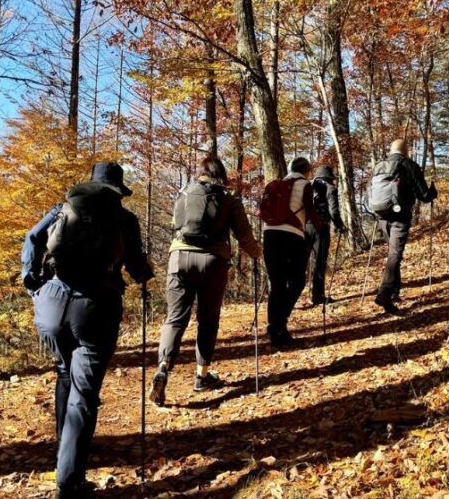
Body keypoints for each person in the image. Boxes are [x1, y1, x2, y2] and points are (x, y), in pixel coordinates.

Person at [21, 162, 153, 499]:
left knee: (66, 374)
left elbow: (33, 238)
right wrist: (143, 275)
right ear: (118, 190)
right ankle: (70, 482)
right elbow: (136, 264)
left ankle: (64, 451)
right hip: (95, 306)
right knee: (84, 393)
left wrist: (32, 280)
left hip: (51, 302)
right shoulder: (124, 219)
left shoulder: (65, 207)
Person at [149, 156, 262, 407]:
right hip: (213, 260)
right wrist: (256, 252)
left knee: (175, 317)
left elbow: (175, 224)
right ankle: (201, 376)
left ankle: (163, 367)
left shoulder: (184, 192)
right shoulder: (228, 198)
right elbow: (243, 235)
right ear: (221, 174)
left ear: (200, 173)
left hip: (179, 257)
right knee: (208, 318)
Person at [259, 157, 323, 347]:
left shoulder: (277, 185)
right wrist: (321, 228)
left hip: (269, 235)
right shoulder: (305, 184)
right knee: (297, 282)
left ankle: (275, 327)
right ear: (307, 170)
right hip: (292, 236)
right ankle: (280, 322)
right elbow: (310, 212)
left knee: (277, 283)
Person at [371, 139, 437, 315]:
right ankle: (385, 293)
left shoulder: (379, 166)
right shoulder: (409, 165)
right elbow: (424, 195)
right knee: (395, 254)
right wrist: (432, 191)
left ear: (391, 150)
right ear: (405, 150)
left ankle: (394, 291)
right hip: (400, 215)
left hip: (381, 215)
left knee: (393, 254)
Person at [306, 165, 345, 306]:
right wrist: (340, 225)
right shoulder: (330, 188)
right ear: (329, 177)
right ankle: (317, 295)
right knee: (319, 262)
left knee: (301, 263)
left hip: (303, 227)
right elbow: (333, 211)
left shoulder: (307, 185)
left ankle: (292, 296)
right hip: (320, 228)